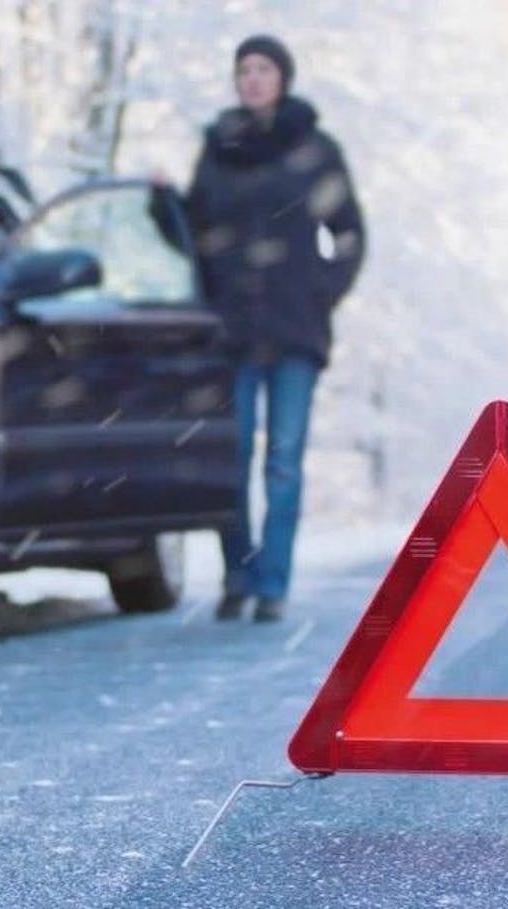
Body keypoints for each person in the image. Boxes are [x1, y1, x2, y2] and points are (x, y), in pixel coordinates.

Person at [161, 35, 366, 623]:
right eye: (244, 69)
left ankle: (273, 583)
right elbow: (195, 228)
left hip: (296, 330)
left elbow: (349, 232)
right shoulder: (219, 149)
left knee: (282, 460)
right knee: (229, 458)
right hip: (232, 332)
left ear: (283, 78)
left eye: (264, 69)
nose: (252, 78)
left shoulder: (314, 149)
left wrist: (320, 288)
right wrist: (162, 204)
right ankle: (238, 575)